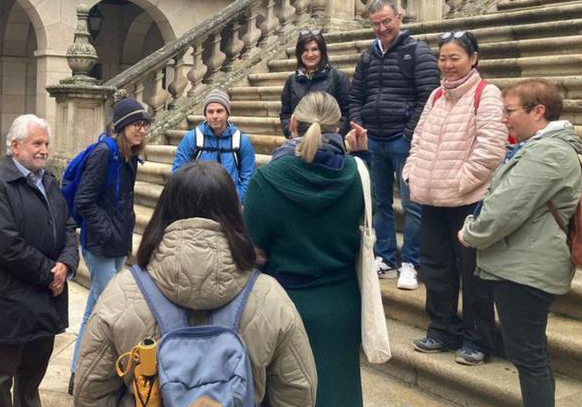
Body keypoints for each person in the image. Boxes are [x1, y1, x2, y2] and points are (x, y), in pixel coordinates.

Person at [74, 161, 317, 406]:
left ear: (163, 211)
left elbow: (90, 392)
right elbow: (298, 391)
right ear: (234, 212)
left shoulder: (122, 293)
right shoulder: (270, 297)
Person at [459, 79, 582, 407]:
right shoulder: (541, 147)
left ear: (538, 111)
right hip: (523, 264)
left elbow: (506, 208)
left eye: (510, 111)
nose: (504, 118)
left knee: (528, 356)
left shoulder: (548, 152)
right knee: (530, 353)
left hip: (526, 270)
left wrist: (471, 231)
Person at [244, 91, 367, 407]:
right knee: (340, 391)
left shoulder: (266, 180)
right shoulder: (358, 174)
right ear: (338, 129)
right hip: (342, 302)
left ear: (293, 124)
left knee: (286, 394)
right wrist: (360, 154)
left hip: (284, 303)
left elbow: (251, 251)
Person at [402, 31, 507, 366]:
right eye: (443, 58)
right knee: (435, 268)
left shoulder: (485, 94)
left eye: (455, 58)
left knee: (473, 273)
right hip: (431, 197)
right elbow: (418, 139)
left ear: (473, 58)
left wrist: (459, 182)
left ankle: (478, 338)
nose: (447, 65)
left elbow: (491, 150)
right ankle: (443, 328)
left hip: (467, 200)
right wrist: (412, 172)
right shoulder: (435, 96)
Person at [0, 114, 79, 407]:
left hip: (46, 299)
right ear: (15, 146)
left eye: (46, 143)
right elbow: (5, 245)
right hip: (13, 299)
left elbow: (68, 226)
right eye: (37, 143)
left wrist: (67, 263)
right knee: (1, 378)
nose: (44, 149)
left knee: (32, 376)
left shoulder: (49, 181)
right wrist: (51, 274)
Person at [349, 0, 440, 290]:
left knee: (413, 205)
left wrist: (409, 133)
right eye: (375, 23)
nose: (381, 28)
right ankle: (386, 256)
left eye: (386, 21)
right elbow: (355, 97)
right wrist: (358, 122)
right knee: (379, 202)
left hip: (404, 140)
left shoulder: (418, 52)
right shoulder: (367, 57)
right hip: (374, 139)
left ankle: (411, 262)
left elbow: (427, 96)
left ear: (399, 18)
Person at [69, 97, 150, 393]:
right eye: (136, 124)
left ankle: (81, 370)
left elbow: (123, 203)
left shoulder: (130, 156)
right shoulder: (105, 153)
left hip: (117, 244)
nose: (142, 130)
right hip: (101, 245)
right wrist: (108, 231)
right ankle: (83, 373)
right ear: (122, 126)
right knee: (105, 311)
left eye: (144, 124)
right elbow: (84, 201)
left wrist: (122, 234)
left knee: (97, 307)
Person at [171, 89, 256, 202]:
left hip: (229, 203)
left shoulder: (241, 141)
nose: (215, 116)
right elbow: (178, 172)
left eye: (219, 111)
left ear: (227, 113)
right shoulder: (192, 138)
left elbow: (248, 177)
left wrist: (235, 199)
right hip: (198, 201)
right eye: (210, 112)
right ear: (205, 115)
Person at [280, 29, 350, 138]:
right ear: (299, 53)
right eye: (305, 50)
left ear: (322, 51)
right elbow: (285, 114)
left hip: (328, 143)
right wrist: (291, 132)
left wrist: (335, 132)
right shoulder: (292, 81)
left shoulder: (337, 78)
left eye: (314, 49)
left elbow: (347, 112)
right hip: (299, 142)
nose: (310, 54)